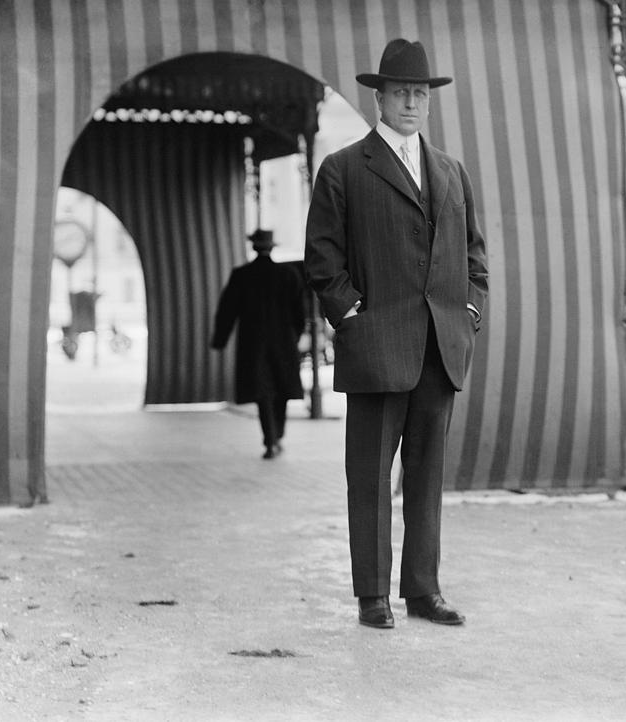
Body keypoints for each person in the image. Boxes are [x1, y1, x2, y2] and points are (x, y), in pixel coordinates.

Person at [304, 39, 488, 629]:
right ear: (378, 98)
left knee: (427, 477)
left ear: (428, 102)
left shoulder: (451, 172)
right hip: (377, 346)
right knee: (370, 478)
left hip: (440, 347)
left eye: (419, 93)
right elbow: (321, 259)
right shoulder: (343, 168)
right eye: (400, 92)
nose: (411, 102)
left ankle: (423, 591)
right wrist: (350, 314)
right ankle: (371, 596)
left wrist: (469, 311)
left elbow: (474, 257)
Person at [211, 229, 305, 459]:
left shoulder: (242, 275)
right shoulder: (289, 274)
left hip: (254, 343)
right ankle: (278, 434)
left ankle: (270, 439)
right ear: (272, 247)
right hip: (283, 342)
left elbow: (227, 311)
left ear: (253, 247)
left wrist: (219, 340)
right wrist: (294, 336)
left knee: (263, 392)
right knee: (281, 390)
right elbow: (299, 314)